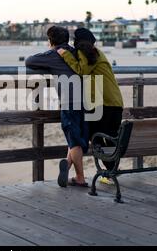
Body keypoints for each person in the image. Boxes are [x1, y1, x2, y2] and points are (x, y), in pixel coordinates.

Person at [57, 28, 124, 185]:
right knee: (108, 138)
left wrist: (64, 54)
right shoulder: (98, 52)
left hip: (101, 104)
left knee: (94, 138)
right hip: (115, 102)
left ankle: (109, 173)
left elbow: (81, 70)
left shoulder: (84, 52)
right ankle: (71, 166)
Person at [26, 26, 89, 188]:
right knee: (77, 137)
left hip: (70, 102)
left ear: (50, 41)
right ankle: (67, 166)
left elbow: (29, 61)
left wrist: (48, 65)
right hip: (88, 101)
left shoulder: (54, 54)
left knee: (74, 140)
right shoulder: (76, 53)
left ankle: (80, 177)